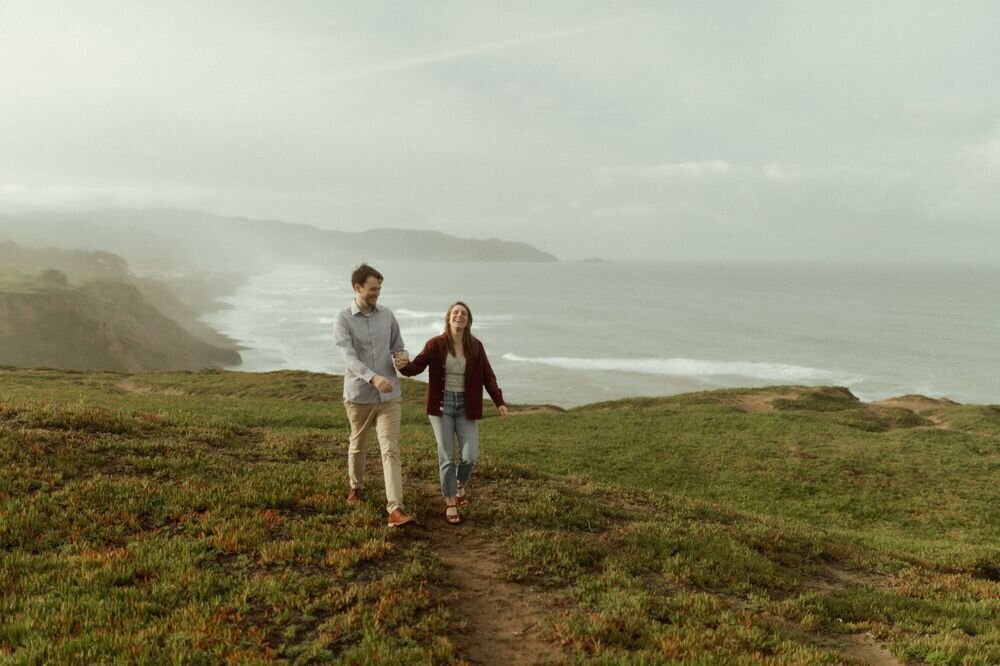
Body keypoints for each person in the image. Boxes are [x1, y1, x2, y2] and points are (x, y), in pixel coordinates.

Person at [397, 301, 508, 524]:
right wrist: (402, 365)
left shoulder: (476, 346)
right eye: (455, 312)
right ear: (448, 318)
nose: (459, 315)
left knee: (469, 457)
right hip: (441, 406)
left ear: (468, 320)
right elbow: (417, 366)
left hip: (466, 406)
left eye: (463, 313)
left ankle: (458, 484)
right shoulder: (435, 344)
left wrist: (499, 401)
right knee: (447, 456)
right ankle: (450, 501)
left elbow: (488, 375)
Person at [334, 263, 416, 528]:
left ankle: (395, 509)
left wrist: (402, 359)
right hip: (359, 396)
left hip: (390, 396)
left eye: (379, 289)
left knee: (390, 449)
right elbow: (348, 357)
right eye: (372, 289)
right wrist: (372, 376)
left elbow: (398, 347)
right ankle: (356, 487)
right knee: (358, 444)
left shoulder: (387, 315)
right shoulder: (343, 319)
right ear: (357, 288)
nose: (376, 294)